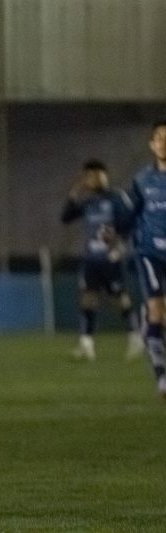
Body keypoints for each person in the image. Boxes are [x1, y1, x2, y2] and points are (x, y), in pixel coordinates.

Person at [60, 159, 143, 362]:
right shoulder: (89, 202)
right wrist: (74, 192)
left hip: (110, 258)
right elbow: (66, 217)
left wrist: (122, 248)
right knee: (88, 298)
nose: (89, 180)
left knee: (119, 297)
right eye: (86, 176)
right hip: (91, 259)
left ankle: (135, 336)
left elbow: (130, 224)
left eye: (92, 175)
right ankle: (86, 344)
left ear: (102, 176)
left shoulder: (116, 198)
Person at [128, 120, 166, 398]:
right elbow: (130, 215)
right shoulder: (142, 181)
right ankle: (162, 375)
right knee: (156, 311)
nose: (164, 143)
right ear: (152, 145)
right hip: (150, 253)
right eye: (160, 138)